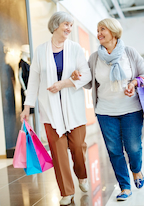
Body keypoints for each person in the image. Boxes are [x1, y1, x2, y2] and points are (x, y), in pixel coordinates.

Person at [71, 18, 144, 201]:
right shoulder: (95, 58)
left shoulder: (129, 53)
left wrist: (134, 82)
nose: (98, 34)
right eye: (97, 30)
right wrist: (77, 75)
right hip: (105, 111)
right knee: (114, 150)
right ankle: (125, 187)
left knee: (133, 147)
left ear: (113, 32)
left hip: (131, 109)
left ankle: (136, 170)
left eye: (102, 29)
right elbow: (89, 84)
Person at [20, 11, 92, 205]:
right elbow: (33, 80)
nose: (69, 28)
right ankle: (66, 192)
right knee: (59, 153)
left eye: (70, 25)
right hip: (50, 111)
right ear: (55, 26)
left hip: (74, 109)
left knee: (77, 147)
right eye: (66, 25)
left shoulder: (75, 48)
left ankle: (82, 176)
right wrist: (28, 106)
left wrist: (65, 83)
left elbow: (86, 75)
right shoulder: (41, 50)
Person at [18, 44, 34, 129]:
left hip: (29, 90)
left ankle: (33, 132)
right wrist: (25, 89)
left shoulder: (27, 63)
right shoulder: (21, 63)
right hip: (26, 90)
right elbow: (20, 76)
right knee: (28, 112)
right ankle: (29, 131)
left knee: (32, 111)